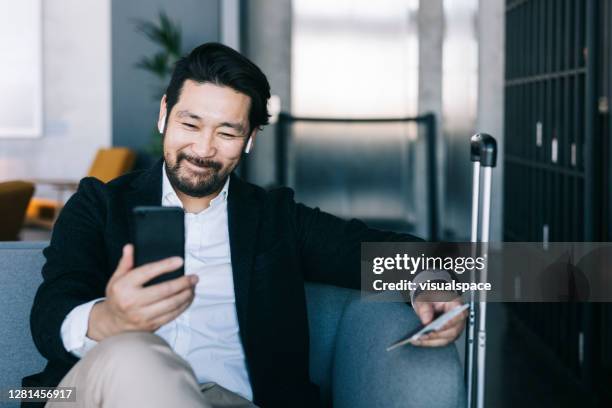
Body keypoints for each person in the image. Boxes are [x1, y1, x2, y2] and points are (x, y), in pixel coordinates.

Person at [25, 42, 467, 408]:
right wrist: (110, 319)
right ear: (164, 114)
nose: (202, 148)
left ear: (250, 139)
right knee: (136, 353)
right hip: (92, 392)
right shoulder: (100, 205)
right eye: (190, 123)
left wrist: (429, 279)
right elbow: (50, 312)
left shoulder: (274, 219)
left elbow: (387, 251)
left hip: (232, 401)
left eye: (227, 133)